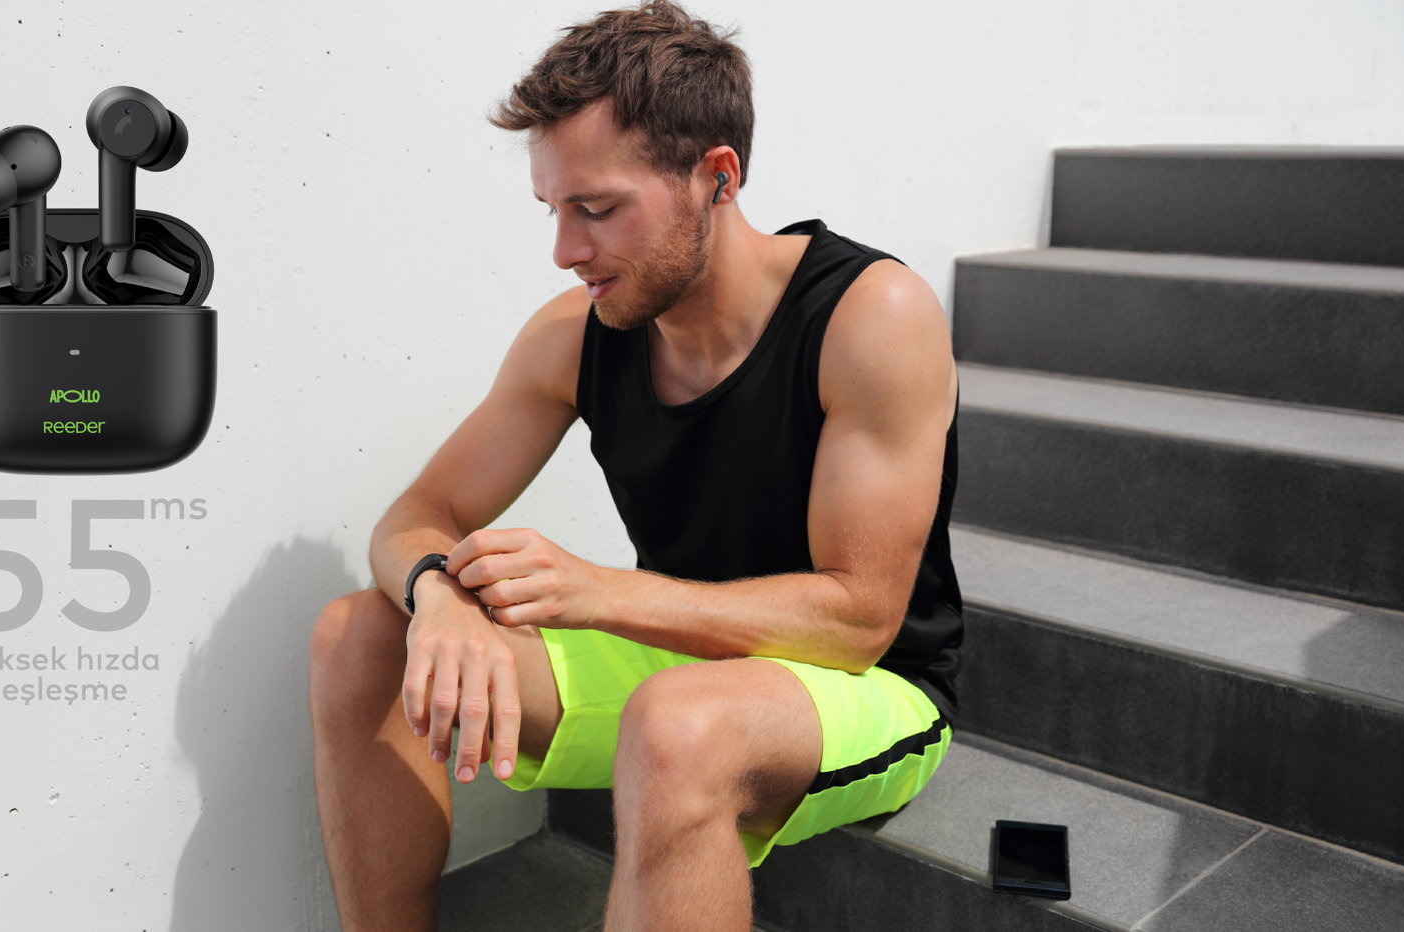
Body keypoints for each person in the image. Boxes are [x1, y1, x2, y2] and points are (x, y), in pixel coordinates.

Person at [307, 3, 964, 929]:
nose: (565, 251)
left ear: (716, 177)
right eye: (555, 211)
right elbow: (416, 514)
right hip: (679, 659)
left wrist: (600, 591)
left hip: (868, 686)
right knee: (359, 636)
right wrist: (438, 598)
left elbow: (858, 619)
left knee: (678, 722)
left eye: (598, 209)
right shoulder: (573, 336)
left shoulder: (870, 316)